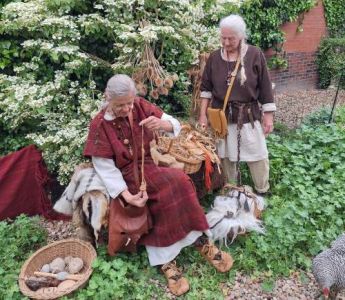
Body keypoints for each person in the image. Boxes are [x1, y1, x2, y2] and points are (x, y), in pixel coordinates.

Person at [83, 74, 233, 296]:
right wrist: (125, 195)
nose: (126, 109)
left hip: (148, 166)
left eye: (129, 103)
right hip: (123, 177)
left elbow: (173, 124)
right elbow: (105, 167)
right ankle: (166, 261)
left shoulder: (140, 106)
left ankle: (199, 240)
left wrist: (162, 123)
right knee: (159, 197)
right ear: (108, 98)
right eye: (120, 105)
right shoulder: (99, 125)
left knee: (181, 182)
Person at [198, 14, 276, 195]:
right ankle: (231, 189)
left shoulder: (255, 54)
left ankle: (262, 190)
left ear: (241, 35)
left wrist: (268, 116)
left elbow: (265, 87)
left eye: (230, 38)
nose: (226, 42)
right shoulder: (214, 58)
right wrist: (203, 115)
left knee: (258, 155)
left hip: (248, 116)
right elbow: (206, 89)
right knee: (226, 157)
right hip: (222, 118)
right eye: (223, 37)